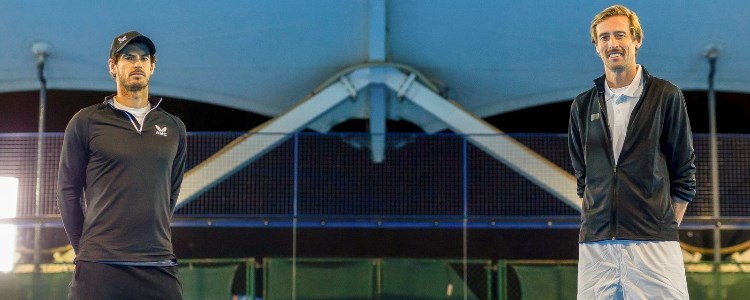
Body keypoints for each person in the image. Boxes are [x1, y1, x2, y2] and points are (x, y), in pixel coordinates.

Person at [568, 4, 696, 299]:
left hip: (653, 247)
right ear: (596, 46)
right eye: (604, 38)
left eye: (620, 35)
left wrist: (658, 224)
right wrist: (599, 222)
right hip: (596, 249)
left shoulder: (666, 95)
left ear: (636, 40)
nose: (612, 44)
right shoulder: (582, 106)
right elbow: (583, 178)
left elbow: (684, 174)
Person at [57, 30, 186, 299]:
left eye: (143, 57)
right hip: (99, 267)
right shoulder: (86, 121)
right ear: (113, 67)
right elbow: (67, 192)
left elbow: (170, 192)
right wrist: (86, 250)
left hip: (158, 264)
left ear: (152, 66)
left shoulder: (174, 127)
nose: (137, 63)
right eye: (128, 57)